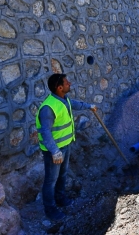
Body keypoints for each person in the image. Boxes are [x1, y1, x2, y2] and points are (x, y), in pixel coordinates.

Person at [36, 74, 98, 221]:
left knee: (62, 175)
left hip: (65, 145)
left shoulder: (64, 99)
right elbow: (45, 131)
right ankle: (50, 210)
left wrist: (88, 106)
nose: (70, 83)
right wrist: (54, 151)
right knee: (51, 181)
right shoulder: (48, 108)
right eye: (66, 82)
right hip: (54, 151)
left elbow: (73, 104)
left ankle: (60, 198)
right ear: (59, 87)